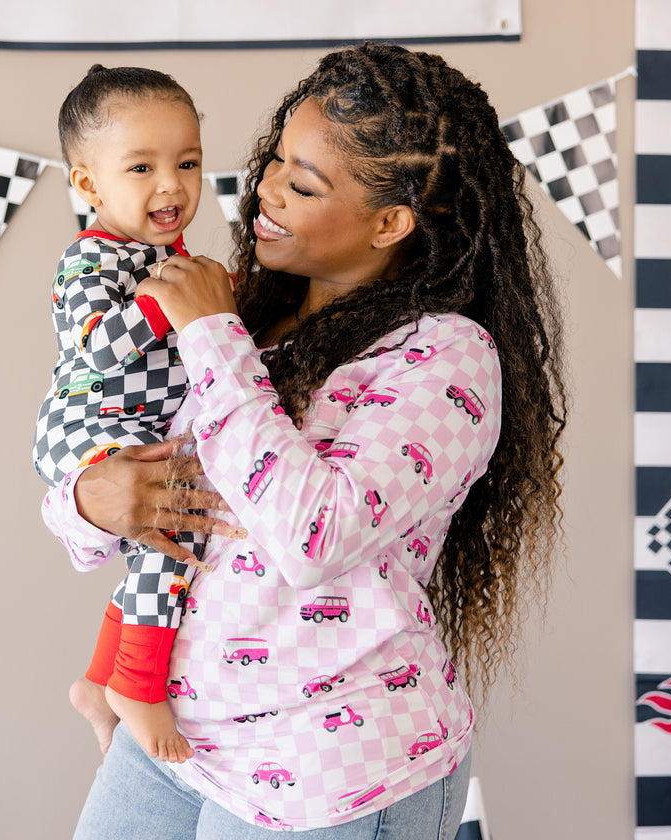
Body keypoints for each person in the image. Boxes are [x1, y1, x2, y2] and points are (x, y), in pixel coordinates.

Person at [42, 43, 567, 838]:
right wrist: (88, 500)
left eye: (303, 182)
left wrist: (213, 335)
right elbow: (102, 419)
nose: (265, 191)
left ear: (391, 221)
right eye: (277, 160)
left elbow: (314, 534)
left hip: (329, 770)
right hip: (181, 738)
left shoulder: (446, 357)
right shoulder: (250, 310)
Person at [34, 64, 231, 763]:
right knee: (172, 535)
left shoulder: (162, 254)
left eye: (188, 162)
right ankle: (137, 686)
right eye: (142, 167)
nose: (172, 185)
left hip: (129, 426)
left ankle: (97, 681)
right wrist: (168, 296)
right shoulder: (92, 259)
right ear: (88, 185)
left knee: (166, 539)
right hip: (87, 423)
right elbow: (99, 348)